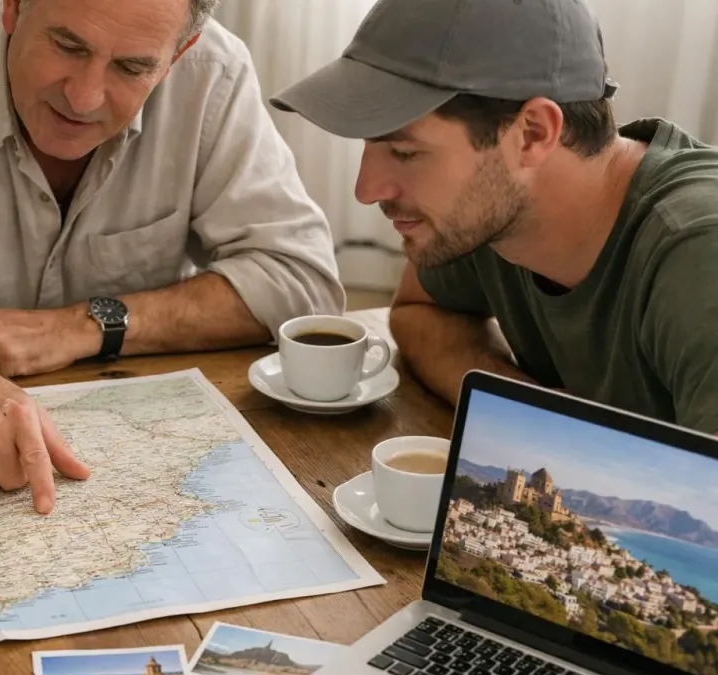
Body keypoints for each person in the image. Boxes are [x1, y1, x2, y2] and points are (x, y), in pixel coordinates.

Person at [0, 0, 346, 514]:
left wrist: (85, 326)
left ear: (177, 57)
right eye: (68, 46)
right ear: (12, 7)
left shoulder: (214, 74)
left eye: (131, 68)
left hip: (136, 467)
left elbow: (299, 279)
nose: (84, 98)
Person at [270, 0, 718, 434]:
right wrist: (533, 414)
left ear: (533, 133)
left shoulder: (699, 255)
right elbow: (418, 312)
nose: (366, 190)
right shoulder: (497, 211)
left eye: (406, 152)